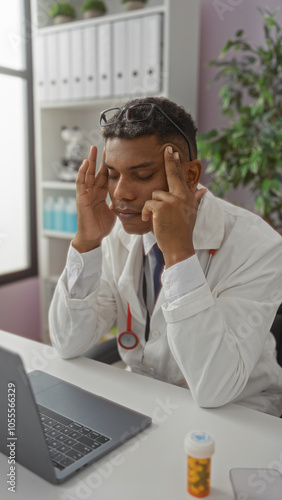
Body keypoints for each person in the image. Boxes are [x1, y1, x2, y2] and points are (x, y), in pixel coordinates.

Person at [49, 96, 282, 417]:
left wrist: (178, 255)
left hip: (240, 414)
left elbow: (215, 388)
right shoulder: (118, 233)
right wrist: (86, 242)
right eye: (113, 175)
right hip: (146, 401)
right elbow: (67, 342)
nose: (120, 194)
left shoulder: (259, 246)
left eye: (142, 175)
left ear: (189, 176)